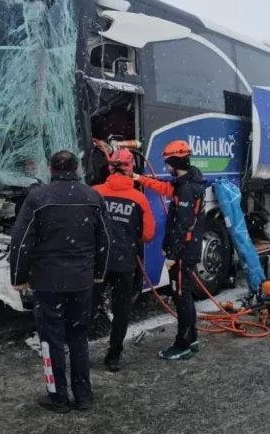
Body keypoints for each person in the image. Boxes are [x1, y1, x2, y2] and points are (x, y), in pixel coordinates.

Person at [9, 150, 110, 413]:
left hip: (47, 283)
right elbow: (105, 241)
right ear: (76, 169)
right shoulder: (93, 197)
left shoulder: (37, 198)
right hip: (82, 282)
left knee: (50, 340)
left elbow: (21, 242)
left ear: (51, 170)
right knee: (79, 338)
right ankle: (84, 395)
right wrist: (99, 271)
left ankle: (58, 397)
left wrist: (19, 277)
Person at [133, 140, 206, 361]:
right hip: (186, 251)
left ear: (174, 161)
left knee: (181, 296)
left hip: (183, 253)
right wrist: (139, 179)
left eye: (167, 162)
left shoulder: (187, 189)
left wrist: (172, 255)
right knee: (184, 295)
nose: (166, 166)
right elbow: (165, 188)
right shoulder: (187, 181)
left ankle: (182, 344)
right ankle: (191, 338)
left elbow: (184, 226)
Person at [92, 148, 156, 372]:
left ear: (110, 168)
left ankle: (78, 351)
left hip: (97, 263)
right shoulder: (139, 198)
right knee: (121, 311)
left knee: (87, 309)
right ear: (131, 169)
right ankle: (113, 356)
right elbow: (148, 235)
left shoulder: (94, 193)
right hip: (124, 263)